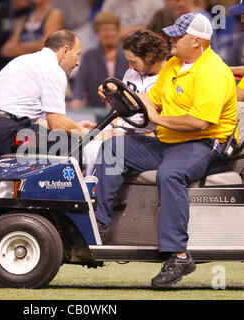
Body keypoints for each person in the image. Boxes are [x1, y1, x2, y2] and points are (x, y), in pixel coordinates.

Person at [95, 12, 238, 287]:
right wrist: (130, 99)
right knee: (113, 148)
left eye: (177, 35)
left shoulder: (214, 73)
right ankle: (99, 225)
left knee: (170, 174)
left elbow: (198, 123)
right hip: (167, 141)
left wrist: (156, 118)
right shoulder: (174, 64)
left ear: (197, 41)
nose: (170, 39)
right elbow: (151, 98)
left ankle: (179, 255)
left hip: (203, 144)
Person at [0, 30, 96, 156]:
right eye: (77, 54)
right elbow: (58, 125)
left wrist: (74, 127)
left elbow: (26, 116)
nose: (78, 62)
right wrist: (90, 134)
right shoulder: (54, 69)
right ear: (66, 51)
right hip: (2, 133)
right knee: (73, 144)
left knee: (51, 136)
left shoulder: (25, 60)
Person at [82, 29, 169, 176]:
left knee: (96, 148)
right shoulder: (132, 72)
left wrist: (123, 135)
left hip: (145, 136)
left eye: (133, 61)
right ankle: (88, 190)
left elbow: (164, 124)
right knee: (85, 142)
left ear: (150, 56)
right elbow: (123, 108)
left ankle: (94, 193)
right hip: (122, 127)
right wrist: (109, 94)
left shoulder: (170, 77)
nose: (130, 66)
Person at [70, 11, 129, 109]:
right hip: (96, 111)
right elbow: (80, 81)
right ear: (97, 33)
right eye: (105, 30)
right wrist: (77, 99)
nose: (109, 34)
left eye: (112, 29)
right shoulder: (89, 56)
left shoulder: (128, 55)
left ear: (118, 31)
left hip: (125, 111)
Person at [0, 0, 32, 83]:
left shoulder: (36, 12)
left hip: (28, 75)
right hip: (0, 73)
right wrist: (2, 52)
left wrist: (23, 49)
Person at [100, 0, 164, 39]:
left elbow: (159, 32)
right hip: (118, 49)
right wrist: (139, 29)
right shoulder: (111, 2)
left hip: (149, 47)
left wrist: (126, 31)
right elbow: (102, 28)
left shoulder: (156, 3)